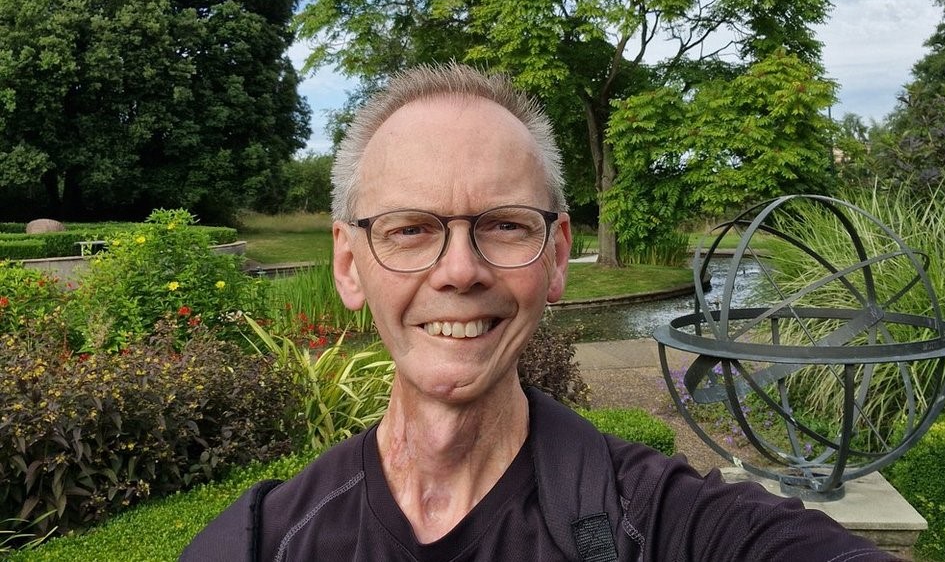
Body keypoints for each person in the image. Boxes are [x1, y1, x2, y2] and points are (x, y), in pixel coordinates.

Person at [182, 63, 896, 561]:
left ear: (556, 257)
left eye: (503, 224)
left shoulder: (659, 523)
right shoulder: (264, 541)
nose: (459, 270)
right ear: (348, 262)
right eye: (410, 228)